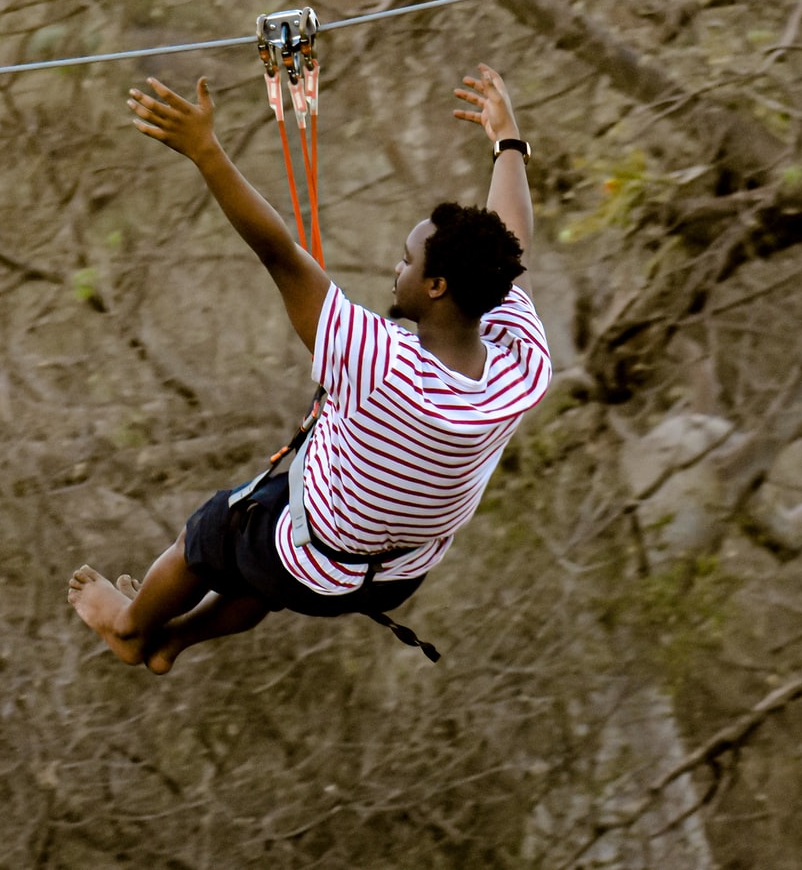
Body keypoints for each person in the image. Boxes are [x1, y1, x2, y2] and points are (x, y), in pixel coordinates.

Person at [68, 64, 551, 672]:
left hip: (310, 559)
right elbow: (511, 248)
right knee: (268, 558)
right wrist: (508, 142)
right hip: (397, 575)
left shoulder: (381, 362)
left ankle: (131, 626)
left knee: (214, 533)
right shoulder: (522, 368)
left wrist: (205, 152)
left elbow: (278, 252)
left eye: (406, 262)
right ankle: (177, 641)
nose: (393, 270)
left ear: (436, 285)